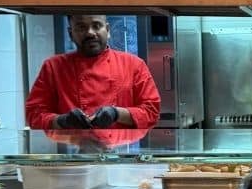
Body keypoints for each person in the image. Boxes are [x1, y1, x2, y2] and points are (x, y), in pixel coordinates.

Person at [26, 15, 161, 130]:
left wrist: (116, 113)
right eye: (81, 27)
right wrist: (62, 120)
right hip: (72, 154)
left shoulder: (134, 64)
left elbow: (151, 112)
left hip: (121, 154)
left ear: (107, 30)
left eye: (96, 26)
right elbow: (34, 115)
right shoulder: (53, 67)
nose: (90, 33)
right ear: (70, 33)